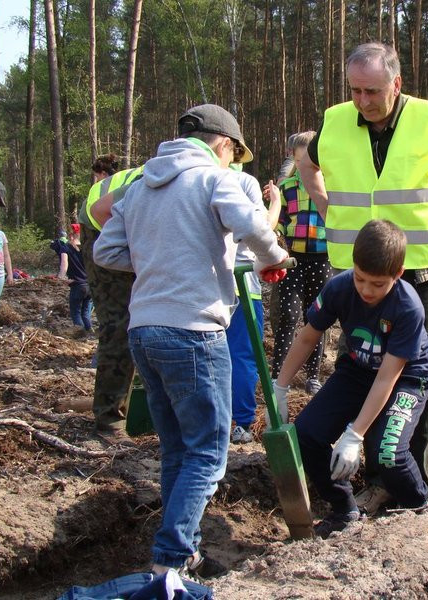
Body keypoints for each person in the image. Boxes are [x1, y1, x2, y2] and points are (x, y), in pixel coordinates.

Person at [296, 42, 428, 513]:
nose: (363, 101)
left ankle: (404, 475)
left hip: (419, 270)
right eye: (355, 91)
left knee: (414, 378)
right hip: (360, 273)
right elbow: (306, 159)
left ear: (397, 83)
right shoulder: (335, 120)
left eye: (372, 91)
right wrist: (324, 203)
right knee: (362, 365)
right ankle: (365, 470)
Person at [94, 103, 288, 578]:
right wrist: (275, 257)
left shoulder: (139, 186)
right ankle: (172, 558)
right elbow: (254, 226)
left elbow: (107, 249)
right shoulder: (213, 178)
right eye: (233, 154)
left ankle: (186, 551)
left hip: (145, 330)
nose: (232, 162)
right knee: (207, 451)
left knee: (178, 448)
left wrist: (162, 260)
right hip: (195, 330)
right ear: (223, 144)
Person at [274, 220, 428, 537]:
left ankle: (419, 508)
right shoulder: (339, 287)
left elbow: (387, 378)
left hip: (406, 374)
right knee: (306, 434)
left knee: (387, 452)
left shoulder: (408, 307)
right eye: (361, 279)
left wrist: (354, 434)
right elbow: (307, 337)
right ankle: (344, 509)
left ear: (397, 275)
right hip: (358, 366)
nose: (366, 290)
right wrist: (279, 388)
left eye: (377, 284)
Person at [79, 160, 144, 436]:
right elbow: (100, 210)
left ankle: (141, 409)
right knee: (122, 324)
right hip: (99, 228)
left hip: (122, 225)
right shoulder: (160, 177)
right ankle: (110, 419)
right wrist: (140, 250)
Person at [266, 131, 331, 395]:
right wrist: (278, 242)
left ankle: (313, 375)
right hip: (293, 260)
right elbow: (279, 222)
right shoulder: (287, 188)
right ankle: (278, 373)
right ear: (292, 157)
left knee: (316, 317)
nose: (306, 164)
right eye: (301, 157)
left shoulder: (328, 185)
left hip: (323, 258)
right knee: (289, 316)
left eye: (312, 158)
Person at [225, 162, 279, 444]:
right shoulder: (244, 181)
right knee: (244, 354)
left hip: (199, 283)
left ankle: (212, 420)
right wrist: (277, 203)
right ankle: (240, 423)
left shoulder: (187, 179)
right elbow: (262, 228)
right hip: (241, 283)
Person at [58, 225, 93, 331]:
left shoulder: (66, 247)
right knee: (86, 313)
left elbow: (64, 264)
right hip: (90, 285)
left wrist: (61, 278)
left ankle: (80, 333)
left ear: (71, 235)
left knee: (76, 312)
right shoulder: (87, 247)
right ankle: (90, 332)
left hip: (77, 285)